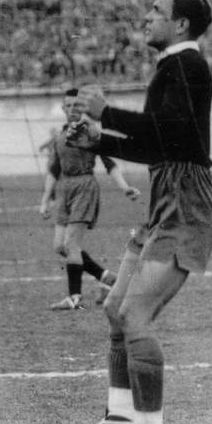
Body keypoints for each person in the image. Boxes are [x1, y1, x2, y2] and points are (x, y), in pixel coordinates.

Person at [60, 0, 212, 424]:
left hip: (186, 205)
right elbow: (158, 146)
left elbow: (170, 135)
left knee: (135, 316)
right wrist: (98, 138)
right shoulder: (172, 67)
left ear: (181, 25)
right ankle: (120, 423)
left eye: (157, 11)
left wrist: (106, 113)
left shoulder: (188, 68)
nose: (146, 16)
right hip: (165, 197)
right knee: (115, 309)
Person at [39, 88, 140, 311]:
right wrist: (46, 200)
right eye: (69, 106)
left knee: (71, 244)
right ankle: (106, 278)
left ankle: (74, 298)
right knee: (60, 246)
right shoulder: (60, 136)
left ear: (83, 108)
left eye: (77, 105)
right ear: (63, 108)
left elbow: (109, 163)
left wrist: (125, 188)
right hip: (65, 189)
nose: (73, 109)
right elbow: (53, 170)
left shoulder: (91, 132)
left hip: (85, 186)